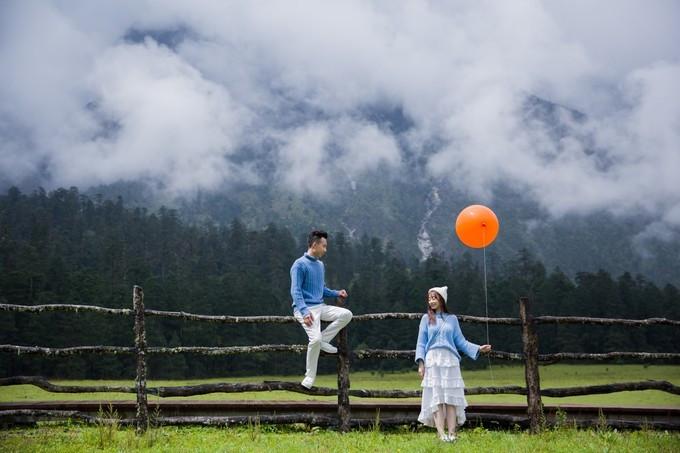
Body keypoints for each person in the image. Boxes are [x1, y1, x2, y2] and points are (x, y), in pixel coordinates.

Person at [415, 286, 492, 442]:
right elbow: (421, 343)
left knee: (451, 399)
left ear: (442, 300)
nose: (431, 301)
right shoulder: (425, 319)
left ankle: (451, 433)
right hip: (433, 360)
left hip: (450, 360)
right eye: (429, 298)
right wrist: (421, 364)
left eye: (434, 298)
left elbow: (461, 342)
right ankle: (441, 434)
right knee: (436, 398)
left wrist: (478, 348)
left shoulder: (452, 319)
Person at [290, 230, 352, 389]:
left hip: (320, 306)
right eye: (324, 246)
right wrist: (304, 311)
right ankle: (309, 377)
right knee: (315, 340)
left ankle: (324, 339)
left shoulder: (320, 265)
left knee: (346, 314)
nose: (325, 249)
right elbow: (295, 291)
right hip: (304, 309)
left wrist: (337, 293)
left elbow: (321, 289)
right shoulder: (299, 264)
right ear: (314, 245)